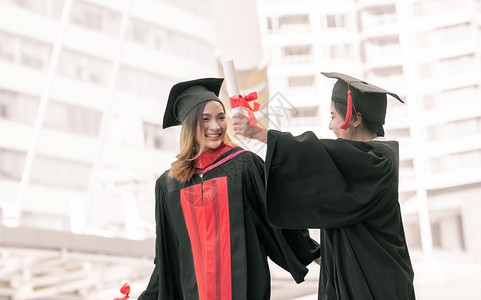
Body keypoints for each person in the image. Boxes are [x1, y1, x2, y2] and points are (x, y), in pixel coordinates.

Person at [232, 72, 416, 300]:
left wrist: (260, 133)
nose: (330, 126)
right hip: (351, 283)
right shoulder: (355, 164)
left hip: (378, 284)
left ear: (355, 118)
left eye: (333, 116)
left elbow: (315, 153)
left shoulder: (379, 160)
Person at [137, 78, 320, 300]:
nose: (215, 126)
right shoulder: (168, 184)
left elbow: (280, 221)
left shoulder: (244, 166)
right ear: (188, 126)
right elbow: (166, 255)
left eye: (221, 117)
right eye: (205, 119)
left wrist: (324, 257)